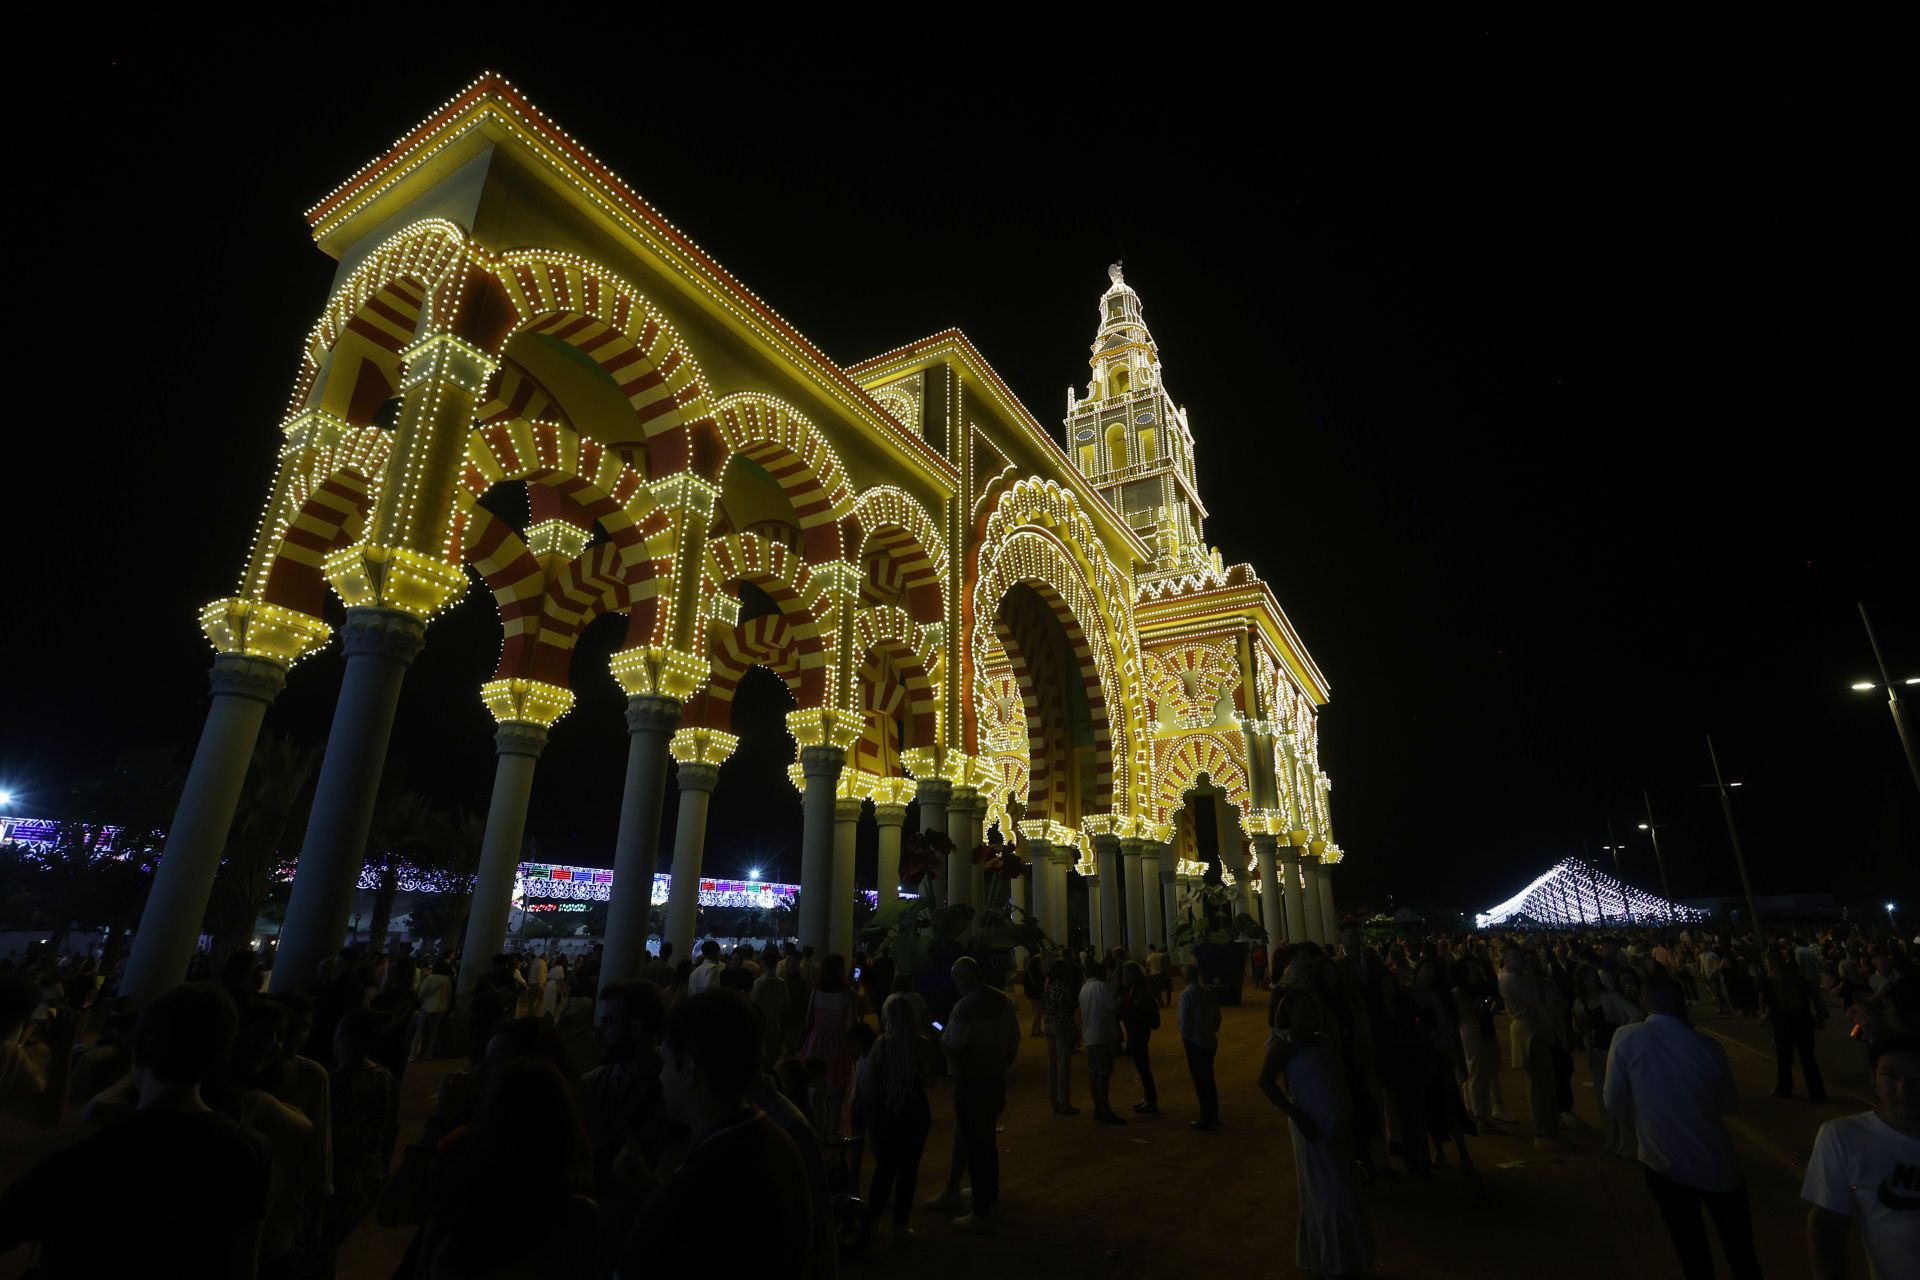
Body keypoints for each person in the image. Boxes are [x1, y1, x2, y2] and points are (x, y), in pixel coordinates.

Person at [0, 983, 271, 1277]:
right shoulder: (249, 1150)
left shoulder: (84, 1160)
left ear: (140, 1049)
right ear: (220, 1057)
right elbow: (245, 1260)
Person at [618, 989, 814, 1277]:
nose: (661, 1077)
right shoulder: (775, 1138)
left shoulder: (707, 1172)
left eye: (667, 1064)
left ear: (689, 1069)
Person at [1603, 975, 1761, 1279]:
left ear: (1644, 1000)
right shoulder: (1707, 1046)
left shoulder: (1626, 1038)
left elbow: (1613, 1101)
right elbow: (1729, 1104)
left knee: (1691, 1251)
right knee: (1740, 1250)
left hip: (1661, 1160)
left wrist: (1647, 1121)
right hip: (1715, 1160)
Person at [1259, 990, 1374, 1277]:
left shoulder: (1322, 1039)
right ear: (1292, 1013)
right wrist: (1297, 1115)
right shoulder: (1286, 1044)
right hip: (1310, 1125)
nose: (1311, 1013)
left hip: (1335, 1122)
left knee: (1343, 1187)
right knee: (1330, 1192)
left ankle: (1344, 1260)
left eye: (1314, 1007)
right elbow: (1266, 1082)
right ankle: (1333, 1262)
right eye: (1304, 1009)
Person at [1803, 1031, 1920, 1279]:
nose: (1904, 1088)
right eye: (1890, 1076)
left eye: (1917, 1077)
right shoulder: (1844, 1138)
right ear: (1872, 1080)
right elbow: (1828, 1225)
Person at [937, 956, 1020, 1234]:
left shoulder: (963, 1008)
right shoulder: (1004, 1002)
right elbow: (1013, 1042)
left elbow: (953, 1045)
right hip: (995, 1080)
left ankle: (981, 1210)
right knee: (986, 1141)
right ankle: (988, 1196)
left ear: (963, 979)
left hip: (970, 1083)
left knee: (975, 1143)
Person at [860, 992, 934, 1249]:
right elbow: (931, 1079)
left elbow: (869, 1082)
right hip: (915, 1109)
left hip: (887, 1111)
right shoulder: (922, 1043)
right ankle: (900, 1226)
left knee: (884, 1169)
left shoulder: (881, 1044)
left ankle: (873, 1223)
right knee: (909, 1170)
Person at [800, 953, 857, 1142]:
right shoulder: (847, 993)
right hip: (838, 1044)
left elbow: (809, 1020)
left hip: (815, 1042)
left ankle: (819, 1133)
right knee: (836, 1097)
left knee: (817, 1093)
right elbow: (851, 1024)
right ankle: (833, 1136)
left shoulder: (816, 990)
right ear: (841, 970)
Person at [1761, 950, 1828, 1101]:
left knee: (1784, 1058)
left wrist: (1764, 1017)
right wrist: (1820, 1016)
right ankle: (1817, 1092)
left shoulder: (1768, 981)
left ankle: (1784, 1088)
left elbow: (1768, 1004)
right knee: (1808, 1058)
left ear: (1769, 963)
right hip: (1804, 1021)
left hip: (1783, 1024)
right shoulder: (1797, 978)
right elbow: (1815, 996)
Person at [1078, 958, 1124, 1124]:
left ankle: (1098, 1107)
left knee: (1094, 1072)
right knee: (1104, 1074)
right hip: (1102, 1036)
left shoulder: (1084, 988)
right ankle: (1105, 1110)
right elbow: (1112, 1007)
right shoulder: (1100, 987)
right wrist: (1120, 1001)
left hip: (1090, 1036)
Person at [1179, 962, 1222, 1130]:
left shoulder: (1186, 995)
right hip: (1210, 1041)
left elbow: (1183, 1023)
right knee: (1209, 1079)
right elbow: (1218, 1017)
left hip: (1194, 1043)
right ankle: (1213, 1114)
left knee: (1200, 1081)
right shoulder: (1207, 991)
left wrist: (1188, 1036)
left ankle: (1206, 1116)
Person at [1118, 960, 1160, 1115]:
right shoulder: (1135, 989)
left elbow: (1139, 1014)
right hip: (1136, 1033)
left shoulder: (1139, 992)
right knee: (1142, 1067)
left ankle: (1151, 1099)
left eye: (1125, 974)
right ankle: (1148, 1097)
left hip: (1139, 1033)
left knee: (1143, 1067)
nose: (1123, 977)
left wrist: (1124, 1009)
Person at [1041, 957, 1079, 1116]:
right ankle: (1064, 1102)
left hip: (1048, 1023)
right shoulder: (1062, 988)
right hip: (1059, 1025)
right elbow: (1065, 1012)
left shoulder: (1047, 986)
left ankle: (1053, 1100)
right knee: (1063, 1064)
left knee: (1052, 1064)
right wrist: (1071, 1028)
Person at [752, 953, 794, 1068]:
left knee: (761, 1051)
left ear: (763, 963)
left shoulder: (759, 983)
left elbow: (753, 1002)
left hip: (761, 1021)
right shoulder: (781, 982)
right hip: (775, 1021)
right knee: (773, 1052)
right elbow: (787, 1004)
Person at [412, 959, 452, 1060]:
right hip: (441, 1008)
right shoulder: (447, 979)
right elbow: (449, 994)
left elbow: (422, 992)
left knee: (419, 1030)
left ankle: (413, 1054)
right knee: (434, 1031)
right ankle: (428, 1054)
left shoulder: (430, 978)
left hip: (428, 1007)